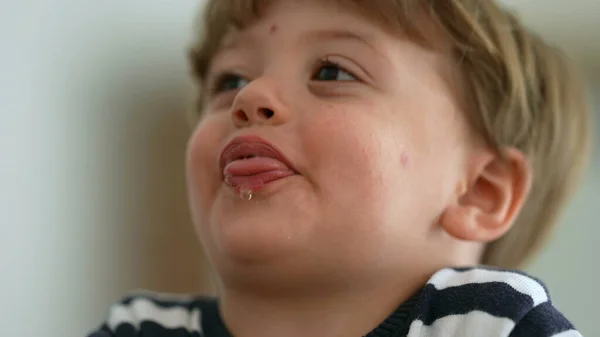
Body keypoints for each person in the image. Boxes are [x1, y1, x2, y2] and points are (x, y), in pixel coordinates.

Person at [88, 0, 591, 336]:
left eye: (331, 71)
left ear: (478, 192)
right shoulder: (140, 328)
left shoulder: (491, 326)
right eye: (228, 79)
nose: (249, 96)